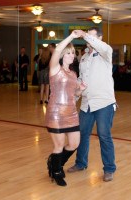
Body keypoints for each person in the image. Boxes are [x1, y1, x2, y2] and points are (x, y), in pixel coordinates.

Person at [67, 27, 117, 182]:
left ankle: (109, 169)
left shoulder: (105, 54)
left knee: (104, 136)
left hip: (104, 104)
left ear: (99, 38)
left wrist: (85, 35)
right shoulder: (83, 58)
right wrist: (74, 100)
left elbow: (105, 47)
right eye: (86, 38)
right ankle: (81, 163)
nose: (87, 40)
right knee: (82, 135)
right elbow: (82, 81)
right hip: (86, 104)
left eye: (91, 37)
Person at [46, 31, 87, 187]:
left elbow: (74, 93)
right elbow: (56, 50)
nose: (73, 56)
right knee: (58, 145)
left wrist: (81, 90)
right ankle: (56, 172)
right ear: (63, 55)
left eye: (73, 53)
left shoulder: (73, 73)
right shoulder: (55, 69)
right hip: (56, 113)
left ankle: (55, 163)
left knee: (75, 143)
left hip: (71, 112)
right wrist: (71, 37)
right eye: (69, 53)